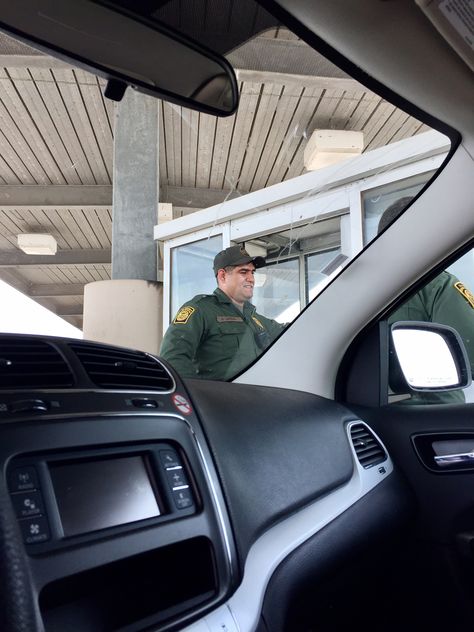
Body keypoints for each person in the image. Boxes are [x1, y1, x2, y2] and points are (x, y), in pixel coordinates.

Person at [380, 196, 474, 404]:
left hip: (377, 412)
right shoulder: (437, 284)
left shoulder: (361, 294)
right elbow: (471, 354)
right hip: (434, 410)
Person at [160, 245, 286, 380]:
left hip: (257, 397)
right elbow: (173, 358)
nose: (251, 279)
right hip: (219, 399)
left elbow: (288, 333)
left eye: (252, 272)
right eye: (243, 272)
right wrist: (195, 395)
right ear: (223, 276)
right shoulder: (201, 310)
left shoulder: (254, 317)